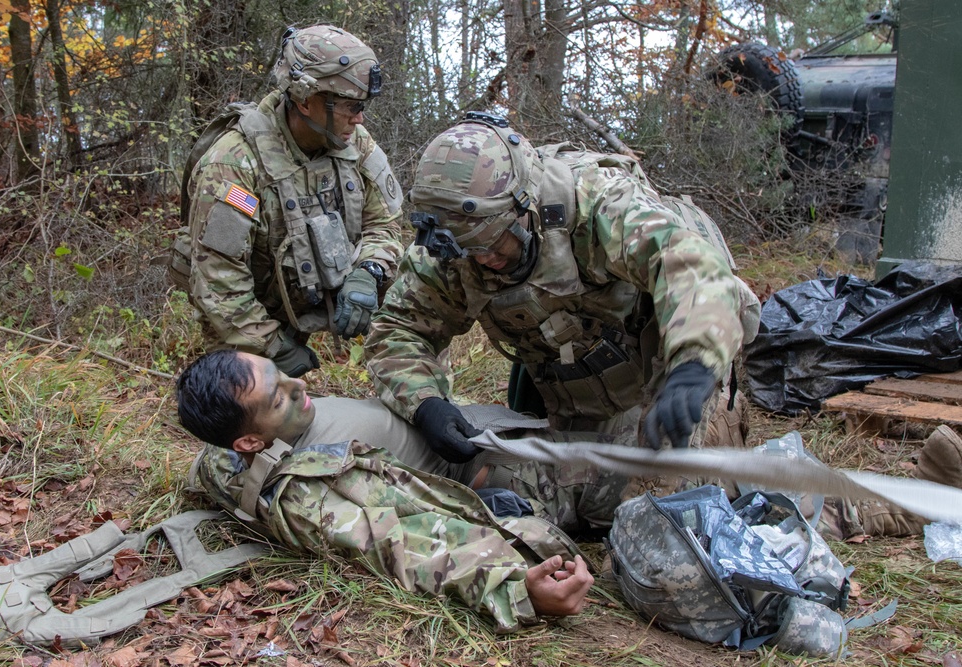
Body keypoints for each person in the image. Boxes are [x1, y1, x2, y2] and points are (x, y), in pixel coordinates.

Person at [364, 112, 761, 468]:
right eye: (470, 252)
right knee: (552, 491)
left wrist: (693, 365)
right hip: (573, 378)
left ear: (522, 207)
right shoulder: (451, 244)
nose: (484, 260)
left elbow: (689, 267)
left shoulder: (597, 202)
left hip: (666, 370)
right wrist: (425, 403)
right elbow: (398, 329)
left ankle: (713, 418)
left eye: (494, 243)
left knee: (664, 502)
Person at [177, 349, 603, 633]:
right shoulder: (309, 495)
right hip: (500, 475)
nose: (299, 386)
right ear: (250, 442)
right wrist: (517, 592)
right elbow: (400, 547)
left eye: (282, 374)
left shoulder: (230, 452)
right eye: (278, 400)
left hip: (481, 434)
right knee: (644, 478)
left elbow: (209, 466)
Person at [170, 24, 404, 378]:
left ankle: (422, 407)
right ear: (305, 100)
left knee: (415, 302)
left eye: (363, 106)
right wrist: (272, 346)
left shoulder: (355, 143)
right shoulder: (234, 162)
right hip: (252, 308)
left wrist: (369, 273)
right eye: (350, 106)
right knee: (248, 398)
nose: (360, 118)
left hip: (331, 286)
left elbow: (384, 224)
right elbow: (219, 279)